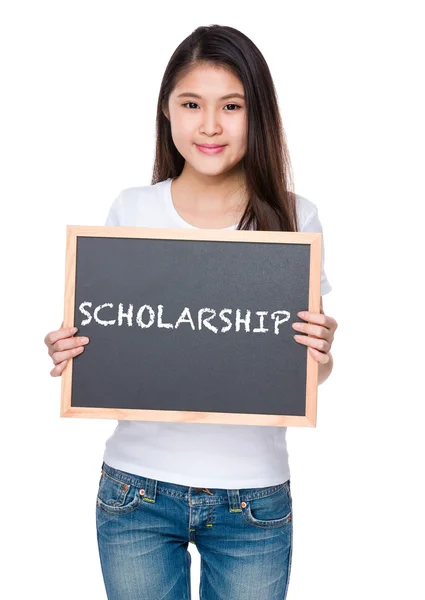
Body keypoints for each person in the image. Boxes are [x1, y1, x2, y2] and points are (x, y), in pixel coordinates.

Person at [44, 24, 338, 600]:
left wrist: (321, 355)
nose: (209, 125)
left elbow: (308, 374)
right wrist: (72, 351)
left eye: (231, 106)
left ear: (259, 115)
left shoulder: (294, 219)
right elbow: (114, 334)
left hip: (252, 499)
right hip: (137, 493)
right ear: (167, 112)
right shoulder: (132, 209)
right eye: (191, 104)